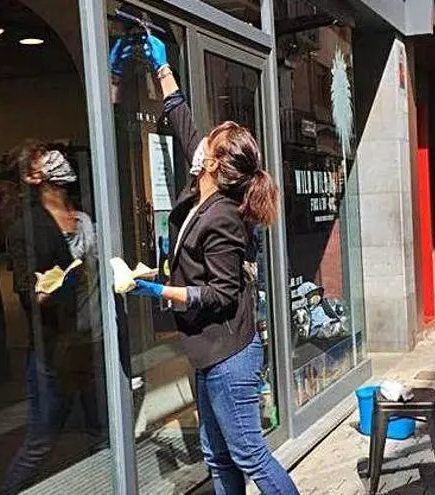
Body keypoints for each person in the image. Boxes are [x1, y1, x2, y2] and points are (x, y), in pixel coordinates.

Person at [111, 34, 299, 495]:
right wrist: (162, 69)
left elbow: (221, 293)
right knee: (218, 457)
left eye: (208, 145)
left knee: (249, 454)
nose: (200, 145)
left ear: (214, 163)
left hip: (229, 355)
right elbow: (183, 123)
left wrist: (158, 291)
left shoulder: (225, 218)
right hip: (209, 351)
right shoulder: (206, 189)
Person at [3, 140, 106, 493]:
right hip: (56, 352)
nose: (56, 161)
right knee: (42, 441)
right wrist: (51, 287)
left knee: (102, 432)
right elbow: (28, 294)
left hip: (92, 341)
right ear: (32, 177)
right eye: (44, 159)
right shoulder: (27, 228)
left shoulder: (84, 219)